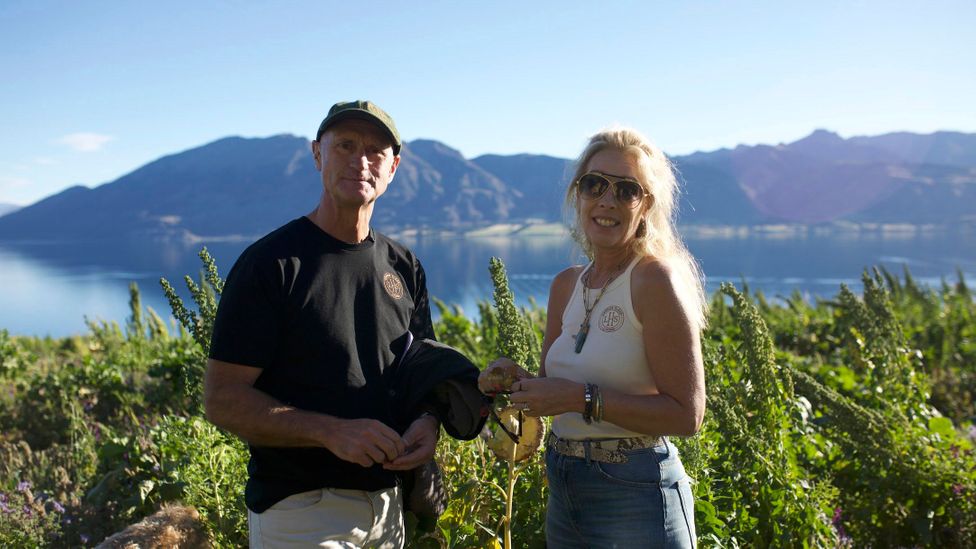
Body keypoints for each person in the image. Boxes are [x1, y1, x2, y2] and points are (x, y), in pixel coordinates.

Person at [204, 100, 448, 549]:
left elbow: (421, 377)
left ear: (393, 167)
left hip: (389, 511)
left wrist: (428, 422)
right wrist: (330, 431)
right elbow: (222, 399)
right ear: (317, 154)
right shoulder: (272, 265)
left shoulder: (404, 266)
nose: (360, 161)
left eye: (375, 151)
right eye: (346, 146)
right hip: (302, 512)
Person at [480, 127, 707, 548]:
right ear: (578, 194)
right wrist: (516, 380)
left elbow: (686, 415)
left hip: (636, 492)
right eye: (595, 184)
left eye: (626, 190)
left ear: (646, 206)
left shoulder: (654, 280)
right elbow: (555, 390)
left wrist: (578, 398)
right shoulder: (566, 285)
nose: (607, 200)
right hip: (565, 488)